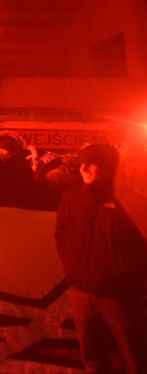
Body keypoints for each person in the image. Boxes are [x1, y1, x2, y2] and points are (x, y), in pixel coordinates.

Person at [55, 143, 147, 374]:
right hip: (83, 294)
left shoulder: (130, 201)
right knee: (93, 360)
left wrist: (124, 277)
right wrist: (74, 269)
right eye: (83, 162)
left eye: (93, 162)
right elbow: (61, 234)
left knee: (134, 356)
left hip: (120, 297)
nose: (85, 167)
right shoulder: (71, 198)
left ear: (108, 167)